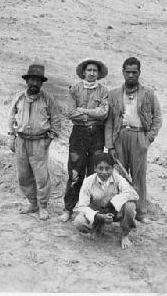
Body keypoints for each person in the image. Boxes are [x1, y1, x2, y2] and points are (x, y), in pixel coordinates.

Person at [105, 57, 162, 223]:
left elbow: (157, 117)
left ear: (139, 73)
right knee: (119, 176)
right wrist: (110, 145)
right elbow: (108, 121)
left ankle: (141, 212)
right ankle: (119, 210)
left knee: (139, 176)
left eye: (134, 72)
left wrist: (148, 138)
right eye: (128, 72)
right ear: (123, 72)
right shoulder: (114, 94)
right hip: (119, 136)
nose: (131, 75)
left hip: (139, 137)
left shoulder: (148, 94)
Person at [8, 63, 61, 220]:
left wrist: (49, 140)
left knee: (41, 177)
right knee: (23, 176)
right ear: (27, 81)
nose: (35, 84)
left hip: (39, 142)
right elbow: (11, 117)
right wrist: (11, 136)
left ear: (42, 83)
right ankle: (32, 203)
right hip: (21, 141)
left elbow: (56, 121)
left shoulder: (47, 100)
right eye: (32, 80)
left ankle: (43, 206)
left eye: (38, 81)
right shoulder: (18, 97)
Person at [59, 59, 109, 222]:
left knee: (94, 174)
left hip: (97, 135)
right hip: (79, 133)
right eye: (89, 70)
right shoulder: (75, 89)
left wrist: (83, 111)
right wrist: (89, 115)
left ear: (98, 73)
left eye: (95, 70)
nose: (92, 73)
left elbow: (103, 113)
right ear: (84, 72)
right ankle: (68, 209)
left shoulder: (103, 91)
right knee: (75, 173)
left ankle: (88, 210)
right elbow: (69, 112)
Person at [73, 152, 138, 249]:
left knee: (130, 206)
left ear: (113, 168)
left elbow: (133, 194)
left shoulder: (118, 178)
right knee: (79, 222)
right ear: (95, 168)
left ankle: (125, 234)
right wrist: (97, 215)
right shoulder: (88, 181)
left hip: (115, 211)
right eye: (100, 168)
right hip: (98, 211)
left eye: (107, 168)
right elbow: (82, 206)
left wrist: (113, 202)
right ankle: (97, 228)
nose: (104, 172)